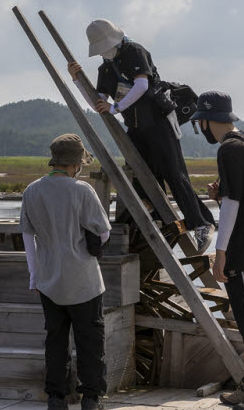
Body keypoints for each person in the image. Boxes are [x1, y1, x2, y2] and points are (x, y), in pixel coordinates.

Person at [68, 19, 214, 251]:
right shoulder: (105, 68)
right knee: (141, 175)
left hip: (159, 122)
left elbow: (142, 86)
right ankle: (158, 218)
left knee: (174, 173)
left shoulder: (134, 51)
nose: (103, 53)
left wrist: (116, 108)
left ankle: (202, 224)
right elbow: (99, 102)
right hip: (135, 127)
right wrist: (77, 80)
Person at [191, 91, 244, 410]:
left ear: (207, 120)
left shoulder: (229, 149)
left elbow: (234, 205)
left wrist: (220, 251)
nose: (202, 129)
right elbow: (239, 199)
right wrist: (220, 198)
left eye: (201, 123)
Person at [20, 133, 112, 410]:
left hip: (48, 279)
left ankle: (56, 399)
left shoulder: (31, 191)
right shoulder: (82, 191)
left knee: (56, 340)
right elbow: (104, 232)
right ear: (76, 164)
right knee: (90, 341)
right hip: (83, 278)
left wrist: (34, 276)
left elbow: (27, 236)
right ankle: (91, 400)